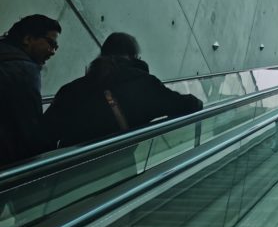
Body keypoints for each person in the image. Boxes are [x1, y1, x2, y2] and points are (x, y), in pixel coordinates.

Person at [45, 33, 203, 147]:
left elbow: (46, 132)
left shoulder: (73, 89)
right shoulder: (143, 84)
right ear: (133, 56)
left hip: (66, 169)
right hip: (117, 167)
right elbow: (184, 104)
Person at [0, 15, 61, 167]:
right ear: (28, 39)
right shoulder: (25, 72)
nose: (53, 52)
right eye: (51, 43)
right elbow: (30, 132)